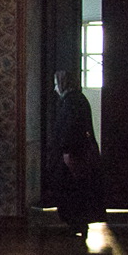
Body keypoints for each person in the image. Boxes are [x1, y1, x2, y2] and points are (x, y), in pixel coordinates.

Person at [46, 69, 104, 237]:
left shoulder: (71, 102)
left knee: (71, 190)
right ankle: (78, 223)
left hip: (72, 154)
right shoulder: (76, 99)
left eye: (56, 84)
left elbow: (70, 129)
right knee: (77, 189)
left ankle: (76, 223)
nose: (55, 88)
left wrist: (67, 151)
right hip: (75, 152)